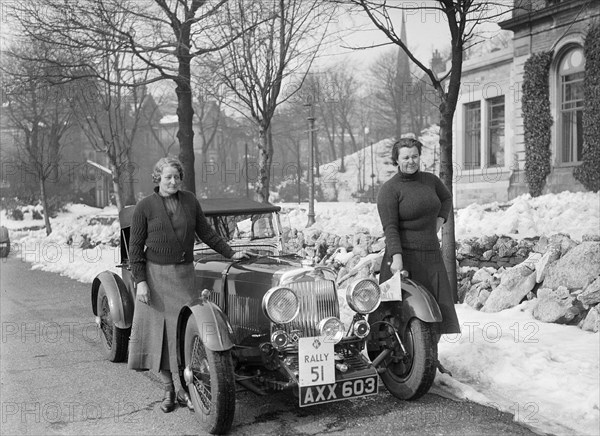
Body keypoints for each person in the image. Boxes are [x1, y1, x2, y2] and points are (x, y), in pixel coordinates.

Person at [127, 156, 249, 413]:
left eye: (176, 177)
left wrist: (230, 253)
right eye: (167, 177)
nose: (173, 181)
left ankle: (186, 385)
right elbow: (135, 249)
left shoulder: (190, 201)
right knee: (161, 338)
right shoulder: (145, 207)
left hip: (184, 276)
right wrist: (141, 282)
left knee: (184, 333)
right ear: (157, 178)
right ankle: (170, 390)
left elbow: (206, 233)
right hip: (156, 277)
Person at [377, 138, 461, 345]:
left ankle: (430, 357)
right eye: (405, 157)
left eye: (415, 156)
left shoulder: (430, 181)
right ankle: (403, 362)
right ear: (396, 160)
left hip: (431, 257)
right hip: (403, 258)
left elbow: (446, 199)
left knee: (437, 313)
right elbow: (390, 228)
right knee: (401, 315)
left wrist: (440, 220)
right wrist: (397, 258)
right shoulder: (389, 190)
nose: (411, 161)